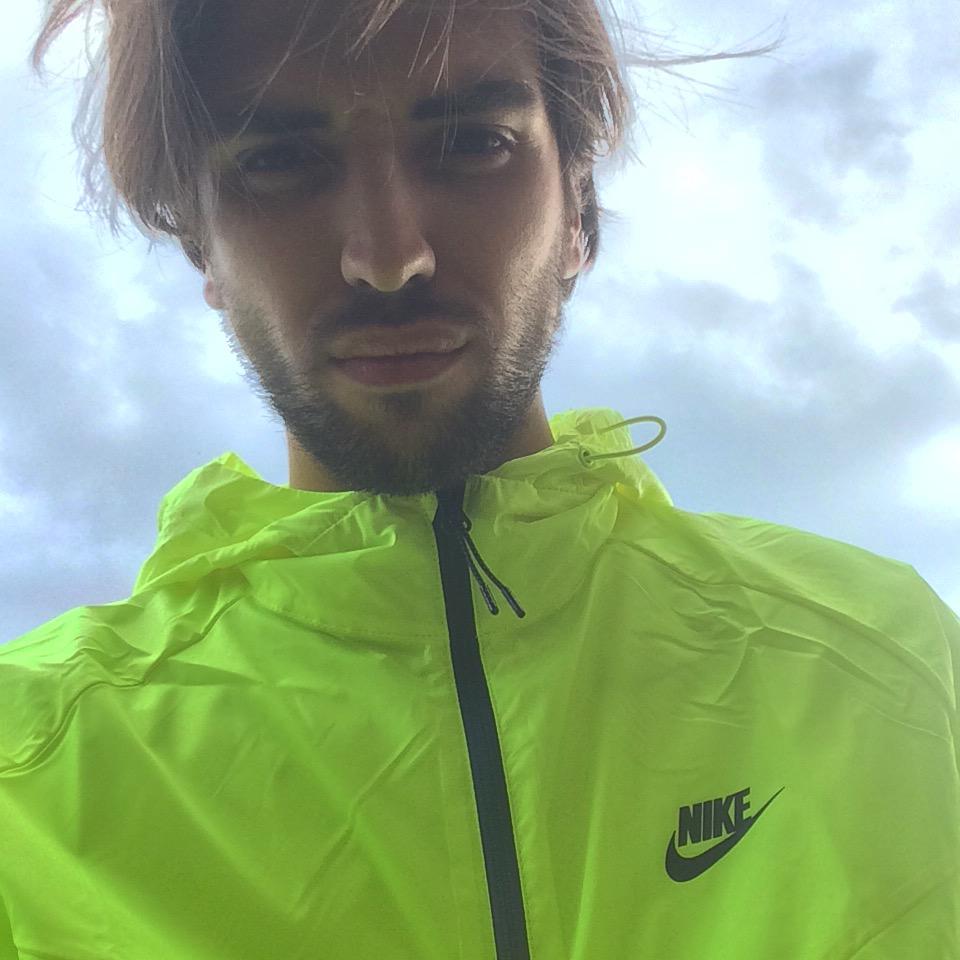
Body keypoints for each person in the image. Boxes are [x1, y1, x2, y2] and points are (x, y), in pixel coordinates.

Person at [2, 0, 957, 956]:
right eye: (278, 160)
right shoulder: (29, 783)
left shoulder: (893, 669)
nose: (388, 258)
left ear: (576, 210)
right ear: (199, 244)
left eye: (471, 143)